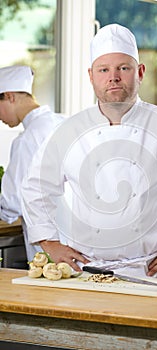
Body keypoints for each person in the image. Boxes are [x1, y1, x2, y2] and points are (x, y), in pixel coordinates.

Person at [21, 24, 157, 280]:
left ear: (140, 72)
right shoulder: (69, 131)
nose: (113, 77)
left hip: (154, 274)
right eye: (104, 70)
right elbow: (35, 188)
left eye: (123, 68)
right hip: (86, 274)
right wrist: (50, 244)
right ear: (91, 76)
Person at [0, 65, 65, 262]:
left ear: (10, 97)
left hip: (48, 246)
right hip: (76, 239)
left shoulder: (27, 139)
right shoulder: (62, 122)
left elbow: (12, 204)